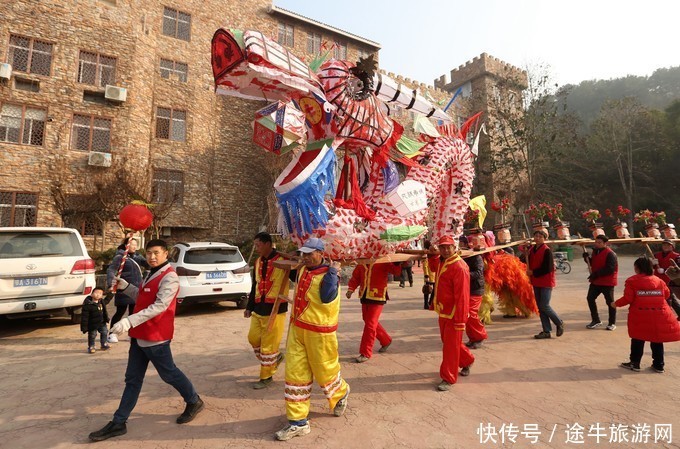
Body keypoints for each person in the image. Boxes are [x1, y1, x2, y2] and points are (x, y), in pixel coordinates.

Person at [88, 239, 203, 442]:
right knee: (132, 380)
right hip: (139, 336)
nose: (151, 256)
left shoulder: (170, 278)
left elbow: (159, 306)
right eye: (149, 252)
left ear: (166, 254)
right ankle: (119, 422)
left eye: (156, 252)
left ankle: (193, 400)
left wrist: (128, 322)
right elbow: (142, 295)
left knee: (169, 374)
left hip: (156, 337)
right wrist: (125, 286)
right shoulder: (151, 273)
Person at [275, 238, 349, 441]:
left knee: (324, 372)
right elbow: (287, 267)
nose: (305, 257)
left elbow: (326, 296)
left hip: (320, 333)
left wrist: (333, 271)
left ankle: (341, 392)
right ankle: (298, 422)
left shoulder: (330, 275)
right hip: (298, 329)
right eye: (303, 254)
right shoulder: (302, 270)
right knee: (295, 374)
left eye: (309, 254)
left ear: (321, 253)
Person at [611, 257, 680, 373]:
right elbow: (667, 294)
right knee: (657, 339)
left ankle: (635, 363)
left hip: (640, 315)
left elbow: (628, 298)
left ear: (637, 268)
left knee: (638, 338)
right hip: (659, 313)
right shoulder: (659, 281)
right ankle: (659, 365)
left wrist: (615, 304)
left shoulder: (632, 281)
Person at [244, 232, 289, 389]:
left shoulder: (284, 261)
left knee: (268, 346)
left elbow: (298, 274)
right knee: (253, 338)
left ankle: (266, 377)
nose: (256, 248)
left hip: (275, 310)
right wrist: (249, 307)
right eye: (255, 245)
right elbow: (255, 285)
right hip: (258, 308)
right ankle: (275, 359)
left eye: (258, 245)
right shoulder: (257, 261)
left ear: (268, 244)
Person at [431, 235, 474, 391]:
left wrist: (461, 319)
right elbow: (432, 266)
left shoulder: (459, 267)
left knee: (449, 346)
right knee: (449, 342)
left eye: (448, 247)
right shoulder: (443, 261)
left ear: (454, 248)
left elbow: (462, 295)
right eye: (442, 247)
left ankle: (448, 377)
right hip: (444, 311)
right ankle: (467, 359)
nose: (446, 250)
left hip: (455, 313)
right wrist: (431, 253)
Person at [346, 261, 402, 363]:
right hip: (364, 295)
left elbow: (396, 272)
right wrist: (351, 289)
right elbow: (356, 277)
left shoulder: (383, 260)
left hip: (378, 295)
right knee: (368, 321)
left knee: (370, 324)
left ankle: (365, 352)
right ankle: (386, 340)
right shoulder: (362, 261)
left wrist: (397, 263)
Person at [106, 237, 149, 343]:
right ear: (126, 246)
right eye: (132, 245)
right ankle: (112, 333)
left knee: (133, 312)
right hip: (123, 288)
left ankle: (132, 334)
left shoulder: (137, 256)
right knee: (120, 312)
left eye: (135, 245)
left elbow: (147, 264)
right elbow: (111, 269)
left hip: (135, 288)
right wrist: (111, 282)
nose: (134, 247)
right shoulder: (120, 257)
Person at [527, 230, 564, 339]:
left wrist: (533, 272)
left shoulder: (547, 251)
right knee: (540, 307)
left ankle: (558, 322)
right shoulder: (532, 250)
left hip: (546, 281)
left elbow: (547, 268)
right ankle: (546, 331)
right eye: (536, 236)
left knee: (545, 305)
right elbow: (526, 260)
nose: (537, 238)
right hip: (536, 281)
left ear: (544, 238)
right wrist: (524, 251)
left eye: (540, 236)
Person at [582, 235, 618, 330]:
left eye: (599, 242)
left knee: (610, 302)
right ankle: (596, 320)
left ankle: (612, 323)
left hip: (607, 282)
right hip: (596, 281)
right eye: (596, 242)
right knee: (590, 298)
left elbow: (610, 269)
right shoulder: (595, 252)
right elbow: (592, 263)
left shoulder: (611, 254)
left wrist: (596, 274)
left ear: (605, 243)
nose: (597, 244)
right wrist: (586, 258)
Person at [459, 236, 488, 349]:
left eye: (462, 243)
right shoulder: (460, 256)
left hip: (475, 289)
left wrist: (464, 275)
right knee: (466, 315)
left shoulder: (475, 256)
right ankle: (473, 338)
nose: (460, 245)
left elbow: (478, 272)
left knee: (471, 314)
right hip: (465, 289)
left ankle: (479, 336)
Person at [652, 239, 680, 319]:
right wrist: (653, 264)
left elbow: (678, 269)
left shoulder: (677, 256)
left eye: (668, 245)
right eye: (664, 245)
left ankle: (668, 316)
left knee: (668, 298)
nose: (666, 247)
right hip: (658, 280)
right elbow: (652, 267)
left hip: (671, 280)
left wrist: (664, 270)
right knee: (670, 298)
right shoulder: (656, 255)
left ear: (672, 247)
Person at [80, 287, 110, 354]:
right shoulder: (87, 305)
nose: (98, 295)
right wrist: (84, 327)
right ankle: (91, 346)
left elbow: (107, 300)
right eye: (96, 293)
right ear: (92, 294)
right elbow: (84, 317)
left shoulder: (101, 302)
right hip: (92, 324)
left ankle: (104, 344)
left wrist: (111, 293)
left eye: (100, 293)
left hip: (102, 322)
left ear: (102, 295)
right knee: (92, 335)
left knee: (104, 333)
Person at [422, 240, 439, 310]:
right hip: (430, 274)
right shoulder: (427, 253)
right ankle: (427, 303)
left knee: (432, 290)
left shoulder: (433, 252)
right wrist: (426, 275)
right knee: (427, 290)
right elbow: (425, 264)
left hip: (432, 274)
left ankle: (429, 302)